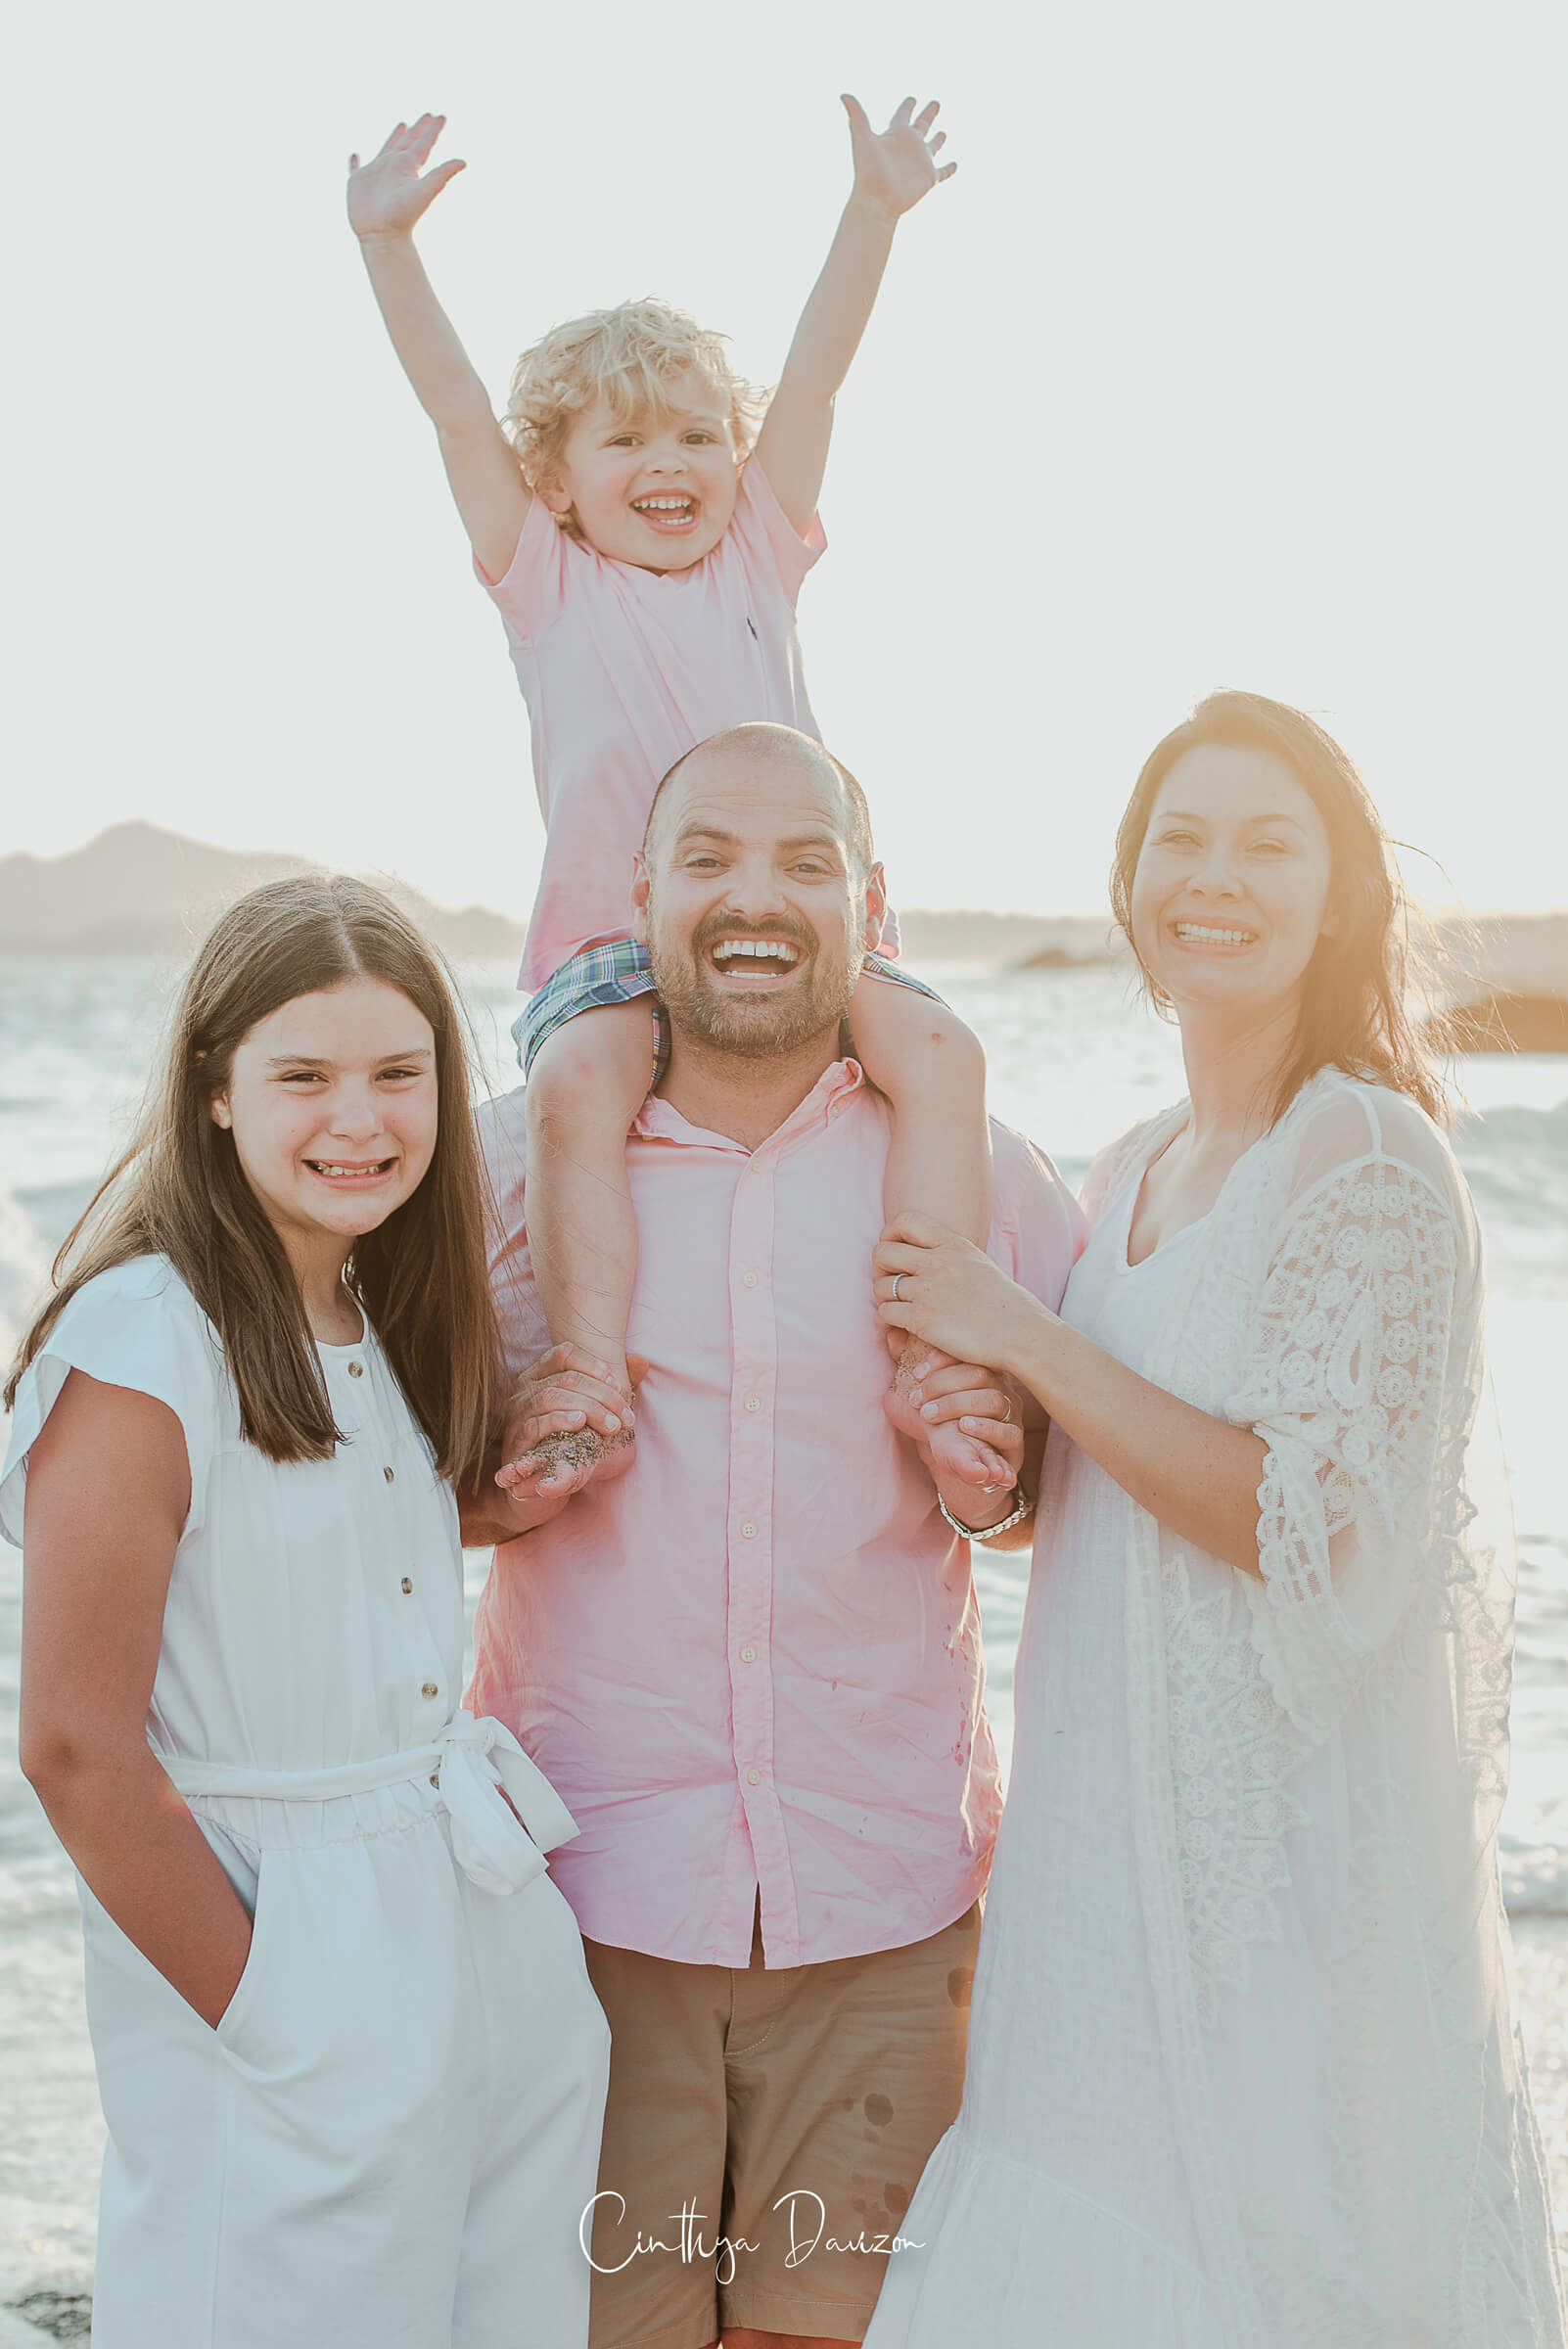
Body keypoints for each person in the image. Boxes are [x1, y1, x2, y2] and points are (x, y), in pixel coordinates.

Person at [863, 692, 1568, 2346]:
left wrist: (1017, 1332)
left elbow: (1305, 1527)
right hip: (1098, 1831)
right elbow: (1101, 1502)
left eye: (1266, 842)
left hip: (1277, 1862)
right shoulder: (1131, 1164)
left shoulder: (1366, 1157)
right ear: (1127, 889)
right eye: (1177, 838)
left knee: (1275, 2253)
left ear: (1336, 899)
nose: (1213, 877)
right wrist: (985, 1466)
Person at [458, 722, 1085, 2349]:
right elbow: (385, 1487)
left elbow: (1047, 1501)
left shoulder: (987, 1182)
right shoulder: (511, 1173)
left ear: (869, 903)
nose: (760, 897)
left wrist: (992, 1478)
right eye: (715, 858)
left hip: (883, 1900)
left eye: (807, 861)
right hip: (580, 1901)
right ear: (642, 892)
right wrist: (496, 1487)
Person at [346, 101, 993, 1492]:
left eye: (699, 440)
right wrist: (385, 246)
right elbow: (455, 408)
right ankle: (584, 1365)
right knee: (580, 1086)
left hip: (805, 934)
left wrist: (872, 210)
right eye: (627, 445)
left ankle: (939, 1361)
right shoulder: (544, 577)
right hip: (610, 950)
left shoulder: (759, 550)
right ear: (556, 482)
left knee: (937, 1059)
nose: (670, 469)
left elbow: (814, 383)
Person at [4, 877, 610, 2349]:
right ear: (214, 1091)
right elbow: (76, 1747)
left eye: (400, 1075)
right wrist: (274, 2019)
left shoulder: (362, 1304)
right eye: (304, 1077)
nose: (362, 1119)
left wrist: (491, 1501)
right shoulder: (145, 1337)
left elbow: (299, 1534)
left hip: (465, 1929)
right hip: (285, 1943)